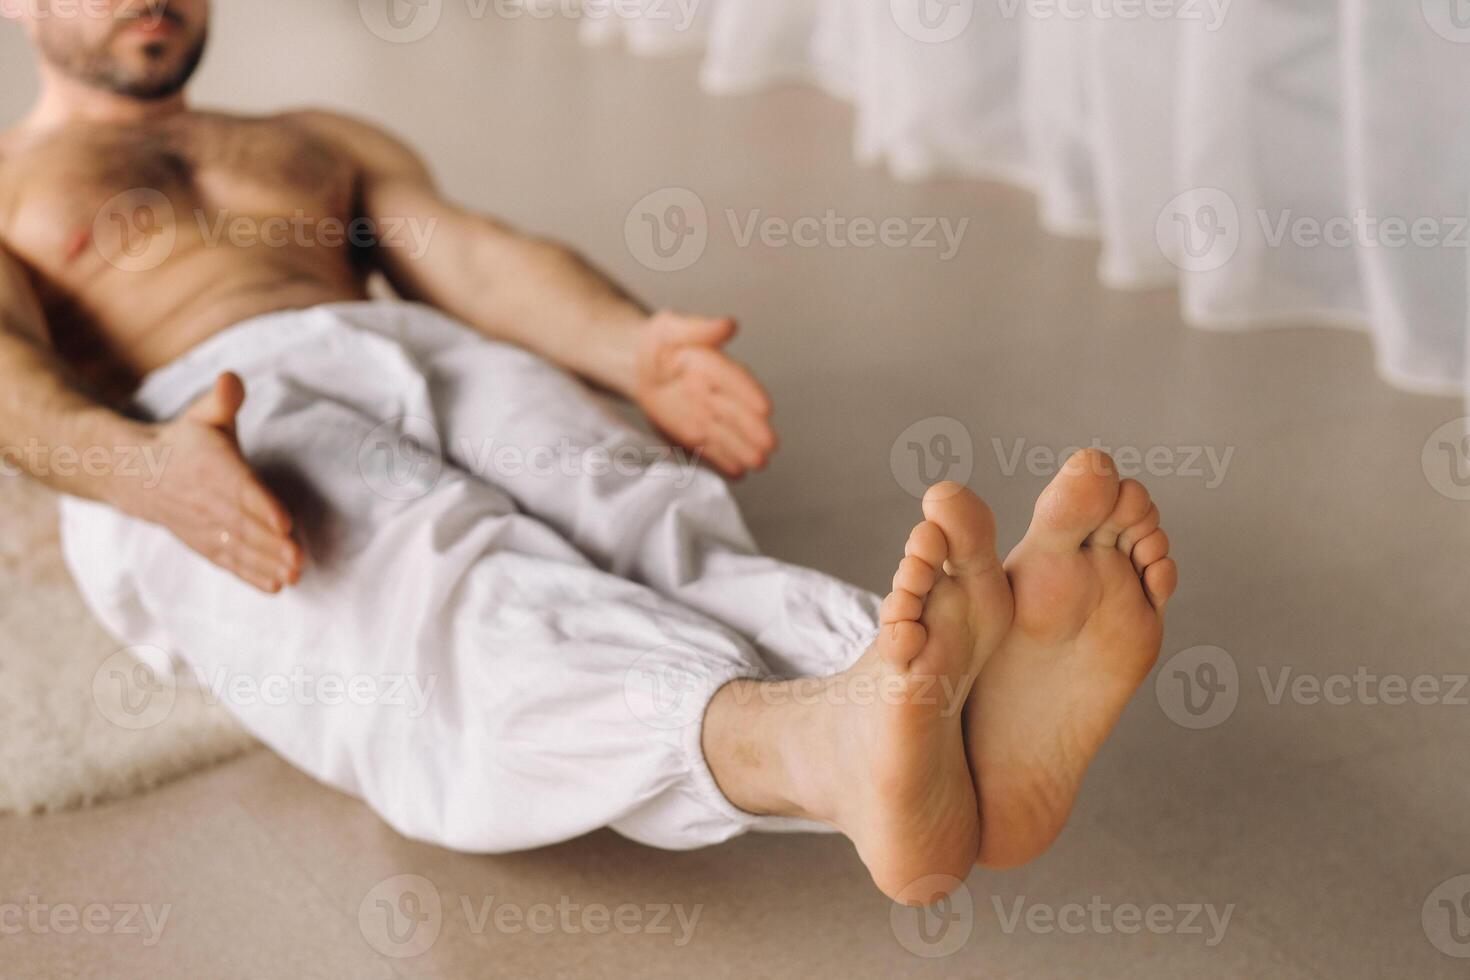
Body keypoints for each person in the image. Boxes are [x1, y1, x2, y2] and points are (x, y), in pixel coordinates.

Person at [0, 0, 1176, 905]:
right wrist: (135, 466)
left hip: (415, 345)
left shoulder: (311, 138)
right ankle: (810, 745)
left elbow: (473, 258)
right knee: (433, 573)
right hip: (190, 416)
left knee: (639, 505)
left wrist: (630, 347)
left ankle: (948, 717)